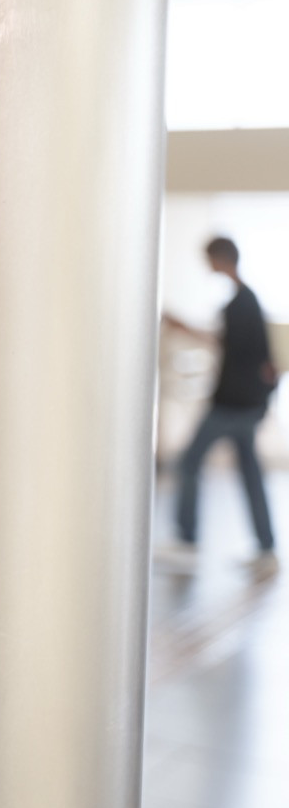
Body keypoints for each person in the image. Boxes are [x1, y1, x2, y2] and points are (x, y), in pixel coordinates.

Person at [161, 236, 280, 577]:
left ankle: (187, 540)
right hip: (248, 403)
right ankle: (266, 548)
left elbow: (233, 350)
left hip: (232, 404)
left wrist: (183, 328)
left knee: (189, 462)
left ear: (220, 258)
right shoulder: (248, 301)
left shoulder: (240, 304)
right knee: (250, 474)